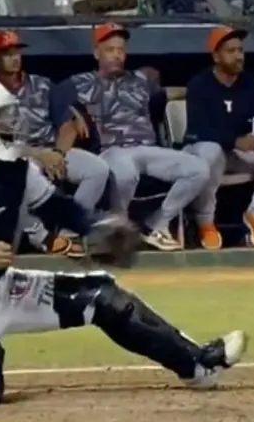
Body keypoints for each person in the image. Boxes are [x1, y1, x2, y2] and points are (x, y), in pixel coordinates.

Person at [0, 75, 247, 403]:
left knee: (105, 296)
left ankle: (197, 364)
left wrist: (96, 228)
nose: (8, 123)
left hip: (1, 287)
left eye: (7, 113)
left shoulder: (16, 170)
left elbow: (57, 208)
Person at [66, 23, 209, 252]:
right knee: (125, 173)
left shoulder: (140, 80)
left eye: (120, 50)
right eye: (110, 50)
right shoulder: (80, 82)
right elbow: (53, 101)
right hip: (112, 149)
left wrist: (201, 91)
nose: (116, 55)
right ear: (97, 53)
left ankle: (156, 224)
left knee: (199, 169)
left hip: (148, 148)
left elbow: (173, 92)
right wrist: (72, 113)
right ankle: (119, 227)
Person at [0, 29, 110, 256]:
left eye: (17, 52)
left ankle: (68, 234)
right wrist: (38, 155)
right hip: (14, 156)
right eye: (6, 54)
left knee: (97, 169)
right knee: (21, 175)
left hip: (51, 150)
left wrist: (58, 154)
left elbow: (67, 126)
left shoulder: (42, 85)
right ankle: (41, 237)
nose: (14, 58)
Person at [184, 26, 254, 249]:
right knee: (210, 150)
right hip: (208, 156)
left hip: (241, 155)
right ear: (216, 56)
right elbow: (198, 130)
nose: (238, 56)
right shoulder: (199, 85)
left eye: (240, 50)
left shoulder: (253, 84)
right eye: (231, 51)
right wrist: (235, 140)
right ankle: (205, 222)